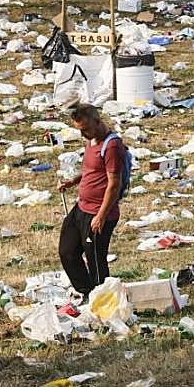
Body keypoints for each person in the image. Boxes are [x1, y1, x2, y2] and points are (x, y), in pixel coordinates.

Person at [57, 103, 125, 301]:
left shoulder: (112, 145)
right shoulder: (91, 140)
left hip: (98, 213)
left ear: (97, 122)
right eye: (80, 130)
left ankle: (103, 301)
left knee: (95, 261)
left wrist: (101, 216)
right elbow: (91, 170)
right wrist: (73, 182)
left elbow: (114, 184)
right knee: (67, 251)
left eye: (85, 129)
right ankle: (87, 293)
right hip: (81, 207)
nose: (82, 134)